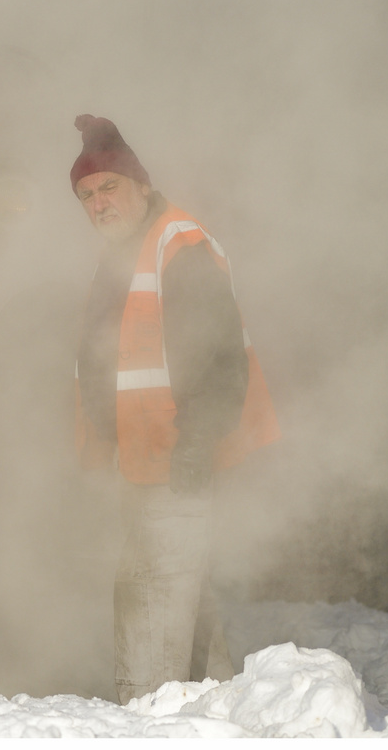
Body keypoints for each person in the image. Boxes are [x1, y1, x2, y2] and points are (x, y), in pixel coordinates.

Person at [69, 115, 279, 705]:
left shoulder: (177, 242)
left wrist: (195, 442)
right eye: (87, 196)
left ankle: (145, 718)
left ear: (140, 184)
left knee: (149, 590)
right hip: (143, 459)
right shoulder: (122, 255)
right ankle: (210, 711)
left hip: (176, 455)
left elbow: (215, 355)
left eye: (108, 187)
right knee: (186, 594)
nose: (98, 203)